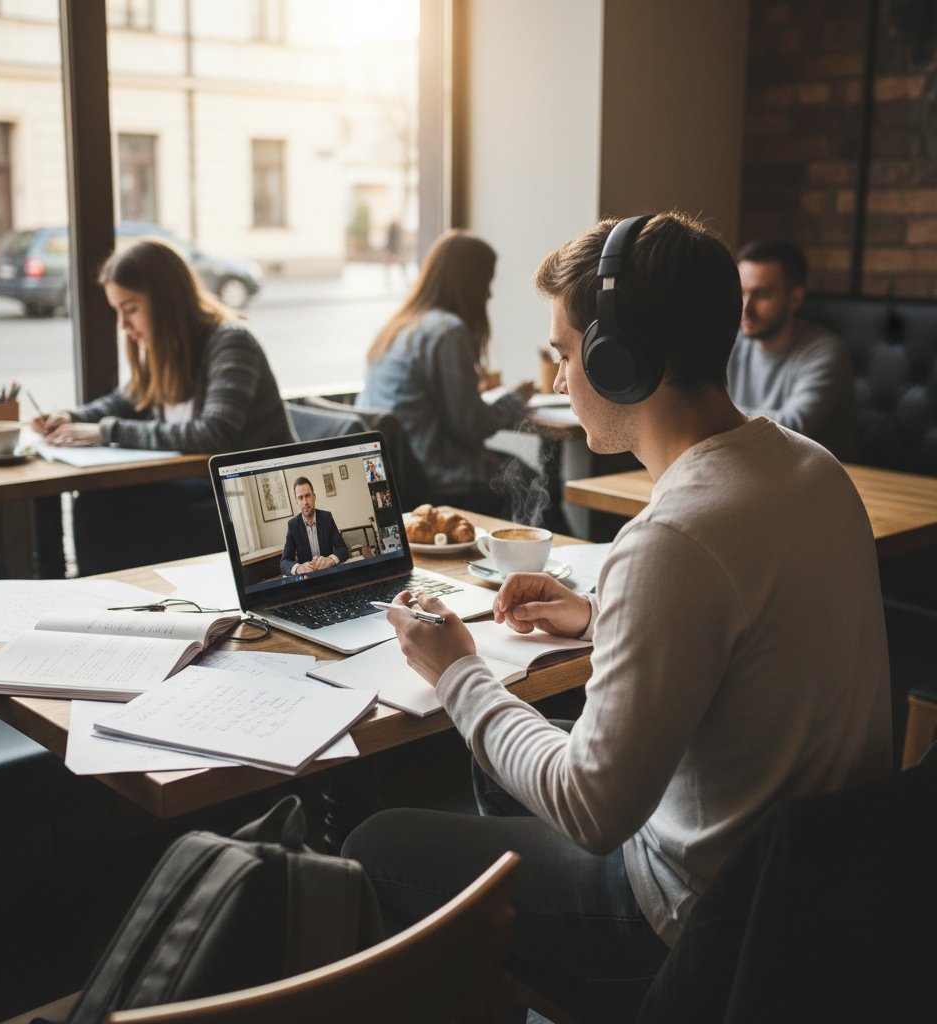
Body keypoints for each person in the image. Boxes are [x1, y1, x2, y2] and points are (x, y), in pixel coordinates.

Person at [343, 212, 891, 1019]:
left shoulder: (673, 534)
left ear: (622, 359)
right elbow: (755, 629)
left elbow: (594, 812)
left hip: (690, 915)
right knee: (490, 780)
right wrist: (601, 616)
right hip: (812, 885)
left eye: (566, 353)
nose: (561, 377)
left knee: (371, 846)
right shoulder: (810, 469)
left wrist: (456, 670)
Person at [33, 238, 293, 576]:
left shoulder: (231, 341)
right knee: (96, 506)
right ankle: (102, 607)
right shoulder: (167, 348)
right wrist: (72, 417)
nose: (123, 325)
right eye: (118, 311)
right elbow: (127, 400)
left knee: (113, 518)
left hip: (249, 502)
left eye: (131, 309)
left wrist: (106, 432)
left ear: (166, 301)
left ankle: (118, 605)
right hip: (204, 487)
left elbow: (213, 433)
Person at [359, 230, 551, 523]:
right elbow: (471, 426)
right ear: (470, 284)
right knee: (535, 484)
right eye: (487, 282)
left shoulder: (398, 327)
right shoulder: (448, 332)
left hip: (393, 477)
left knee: (518, 470)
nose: (490, 294)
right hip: (436, 479)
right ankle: (562, 559)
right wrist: (516, 398)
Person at [727, 239, 858, 460]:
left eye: (762, 295)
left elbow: (793, 427)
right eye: (741, 292)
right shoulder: (730, 342)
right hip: (751, 466)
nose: (745, 308)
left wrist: (711, 413)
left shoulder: (827, 353)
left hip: (819, 481)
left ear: (795, 299)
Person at [279, 477, 349, 576]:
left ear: (314, 497)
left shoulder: (327, 517)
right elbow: (284, 562)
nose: (305, 502)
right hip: (308, 579)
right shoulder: (292, 525)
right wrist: (299, 568)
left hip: (329, 574)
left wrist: (330, 560)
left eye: (308, 496)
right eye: (300, 497)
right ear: (296, 500)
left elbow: (343, 549)